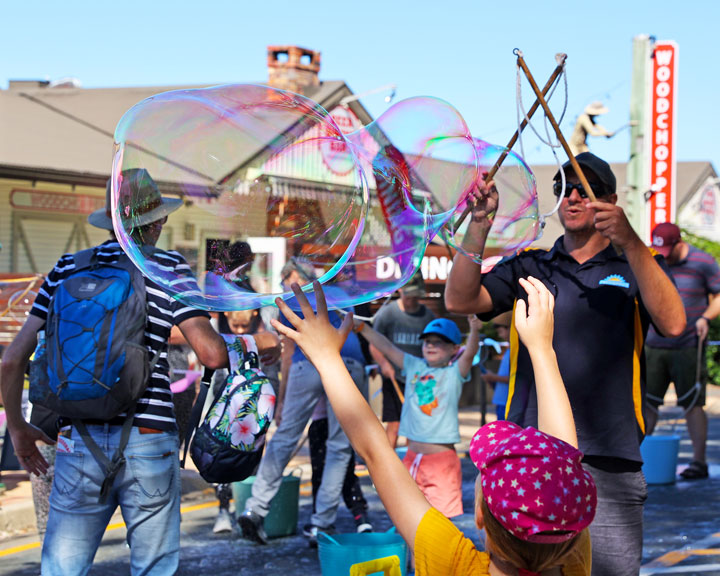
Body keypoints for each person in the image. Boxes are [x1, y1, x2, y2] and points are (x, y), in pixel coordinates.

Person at [0, 169, 278, 575]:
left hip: (77, 437)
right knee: (152, 568)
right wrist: (259, 344)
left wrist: (20, 427)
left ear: (112, 222)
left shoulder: (65, 268)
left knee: (61, 568)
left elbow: (11, 360)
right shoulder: (167, 267)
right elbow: (211, 353)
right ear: (158, 221)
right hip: (148, 438)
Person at [444, 152, 685, 576]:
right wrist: (479, 223)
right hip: (529, 456)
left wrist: (631, 241)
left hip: (610, 456)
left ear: (609, 199)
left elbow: (674, 323)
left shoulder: (636, 264)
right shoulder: (530, 264)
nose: (572, 196)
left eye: (585, 188)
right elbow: (460, 300)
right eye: (563, 188)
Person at [273, 278, 596, 575]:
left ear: (480, 515)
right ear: (570, 529)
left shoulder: (452, 562)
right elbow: (562, 465)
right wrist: (542, 349)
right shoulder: (572, 564)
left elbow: (374, 452)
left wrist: (327, 358)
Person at [238, 258, 368, 547]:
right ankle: (321, 525)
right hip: (348, 361)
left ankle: (255, 509)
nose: (286, 285)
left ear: (295, 276)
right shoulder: (338, 294)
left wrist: (282, 403)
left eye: (287, 278)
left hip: (306, 364)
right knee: (338, 446)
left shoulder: (293, 300)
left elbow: (288, 352)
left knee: (284, 438)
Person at [356, 314, 480, 518]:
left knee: (443, 521)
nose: (430, 346)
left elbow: (471, 352)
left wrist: (474, 328)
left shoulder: (454, 374)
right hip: (412, 459)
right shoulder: (415, 366)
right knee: (411, 517)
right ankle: (412, 552)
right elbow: (387, 347)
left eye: (438, 342)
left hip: (442, 463)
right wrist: (362, 328)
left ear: (454, 349)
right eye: (427, 342)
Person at [644, 222, 720, 480]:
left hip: (688, 345)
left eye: (667, 249)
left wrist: (706, 318)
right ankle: (641, 459)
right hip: (654, 344)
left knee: (692, 403)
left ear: (679, 243)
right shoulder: (653, 259)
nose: (663, 255)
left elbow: (719, 294)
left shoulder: (702, 261)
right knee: (648, 402)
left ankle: (699, 462)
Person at [210, 307, 280, 534]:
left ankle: (246, 510)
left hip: (252, 413)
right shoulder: (220, 336)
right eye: (236, 327)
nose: (240, 330)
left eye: (243, 327)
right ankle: (223, 508)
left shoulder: (260, 338)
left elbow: (271, 375)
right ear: (227, 316)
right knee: (221, 457)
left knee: (251, 460)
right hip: (226, 411)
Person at [369, 272, 435, 448]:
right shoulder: (388, 314)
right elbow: (374, 343)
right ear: (401, 291)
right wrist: (383, 364)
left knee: (415, 425)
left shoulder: (427, 317)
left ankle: (410, 464)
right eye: (408, 295)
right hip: (394, 377)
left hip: (419, 381)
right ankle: (387, 463)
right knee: (395, 424)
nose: (412, 300)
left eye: (415, 296)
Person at [308, 396, 372, 533]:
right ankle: (359, 514)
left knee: (324, 472)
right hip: (335, 419)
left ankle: (321, 522)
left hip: (331, 419)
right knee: (343, 469)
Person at [482, 312, 512, 421]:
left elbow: (515, 378)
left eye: (500, 331)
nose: (499, 335)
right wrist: (492, 380)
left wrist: (493, 377)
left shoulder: (516, 351)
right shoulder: (508, 350)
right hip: (501, 401)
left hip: (508, 403)